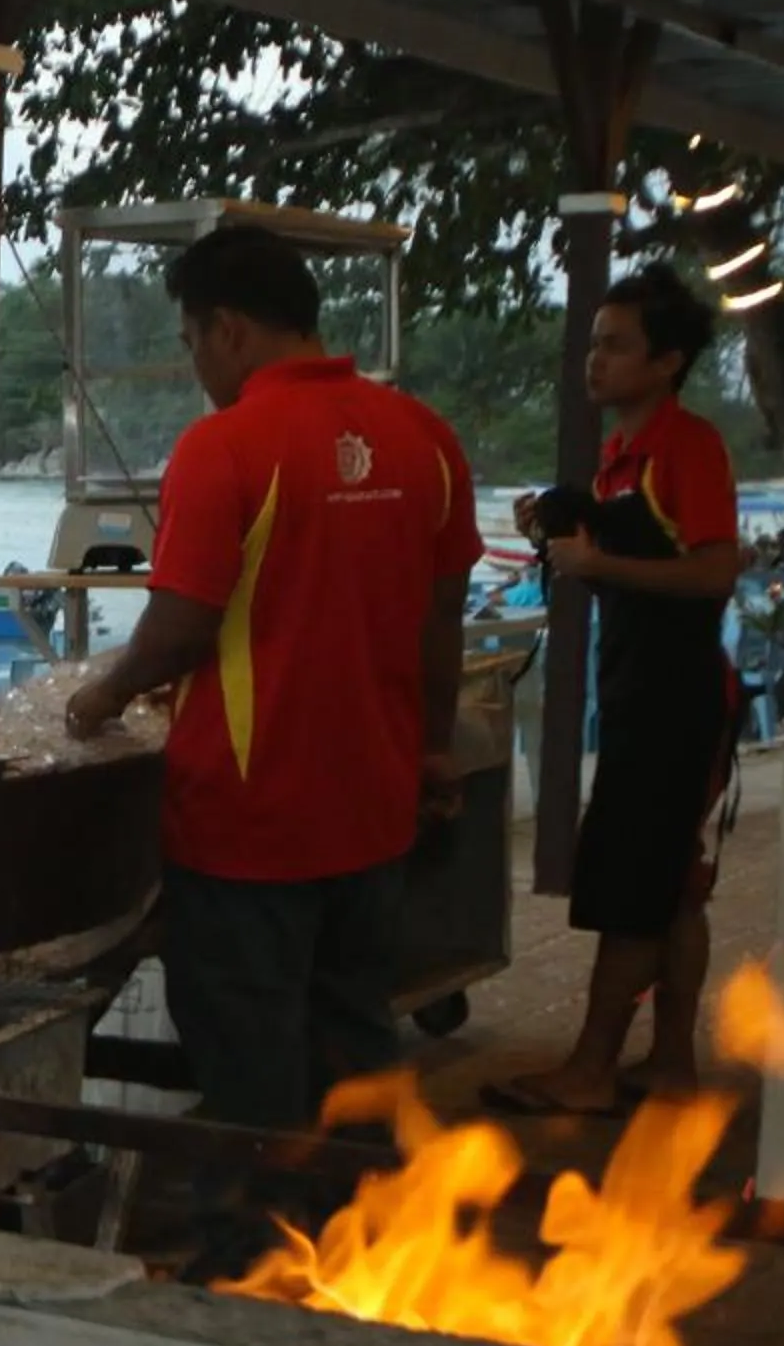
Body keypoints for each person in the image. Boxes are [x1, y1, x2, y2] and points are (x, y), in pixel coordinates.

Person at [66, 223, 479, 1131]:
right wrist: (434, 750)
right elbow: (441, 616)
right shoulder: (424, 438)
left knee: (248, 1054)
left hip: (249, 821)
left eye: (188, 343)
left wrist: (102, 695)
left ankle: (250, 1254)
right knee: (355, 1033)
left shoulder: (227, 446)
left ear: (229, 329)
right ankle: (368, 1242)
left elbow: (179, 625)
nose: (194, 366)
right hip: (375, 808)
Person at [492, 265, 748, 1116]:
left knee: (635, 883)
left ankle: (592, 1068)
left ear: (667, 361)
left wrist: (597, 562)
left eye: (614, 346)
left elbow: (714, 571)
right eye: (592, 343)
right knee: (671, 880)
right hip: (640, 689)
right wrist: (566, 526)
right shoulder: (616, 458)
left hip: (677, 700)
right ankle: (671, 1060)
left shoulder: (687, 446)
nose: (594, 361)